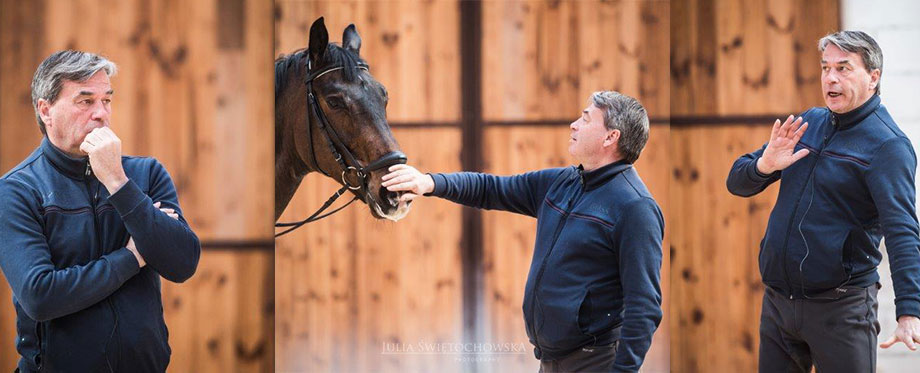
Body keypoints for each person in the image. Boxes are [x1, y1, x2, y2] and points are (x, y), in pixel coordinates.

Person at [383, 91, 663, 372]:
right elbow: (491, 189)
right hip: (551, 361)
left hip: (595, 362)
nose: (574, 124)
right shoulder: (562, 182)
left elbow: (645, 305)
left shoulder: (635, 208)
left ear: (610, 138)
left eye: (586, 119)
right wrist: (429, 183)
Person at [727, 31, 920, 372]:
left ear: (873, 77)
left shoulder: (888, 146)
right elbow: (737, 183)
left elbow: (903, 230)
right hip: (778, 305)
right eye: (826, 67)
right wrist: (764, 166)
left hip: (841, 310)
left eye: (844, 68)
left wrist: (909, 310)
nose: (830, 78)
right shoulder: (809, 123)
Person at [0, 50, 201, 372]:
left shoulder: (145, 174)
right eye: (85, 101)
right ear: (45, 110)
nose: (101, 114)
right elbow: (40, 295)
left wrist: (118, 182)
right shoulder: (17, 189)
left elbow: (182, 263)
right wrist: (132, 257)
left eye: (106, 100)